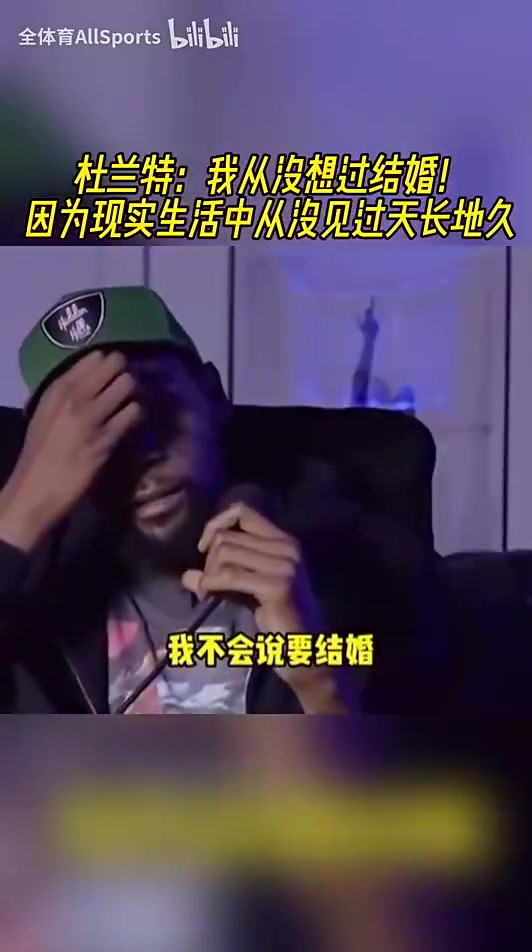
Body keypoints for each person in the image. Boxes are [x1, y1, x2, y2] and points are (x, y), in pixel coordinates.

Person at [0, 287, 446, 714]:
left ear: (212, 395)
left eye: (158, 407)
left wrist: (318, 676)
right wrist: (19, 512)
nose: (141, 456)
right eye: (99, 432)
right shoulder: (32, 587)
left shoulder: (366, 558)